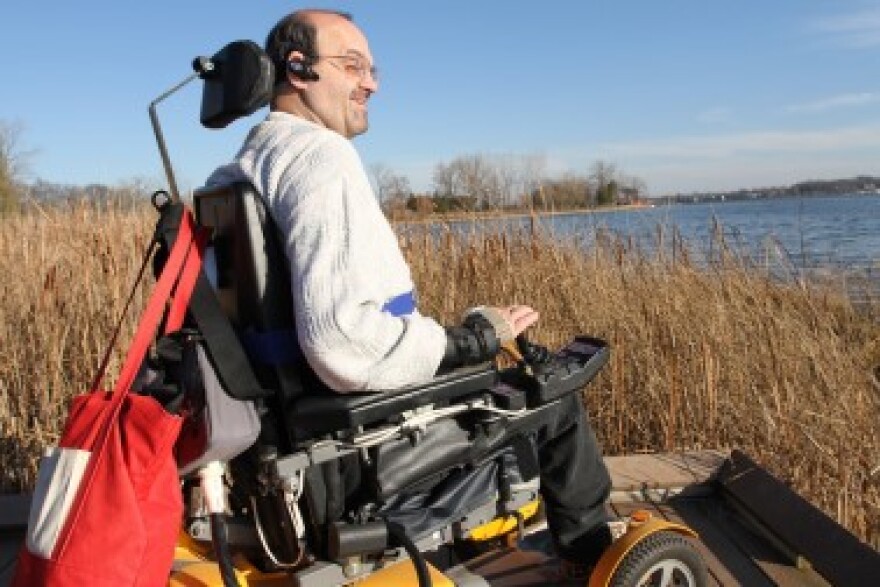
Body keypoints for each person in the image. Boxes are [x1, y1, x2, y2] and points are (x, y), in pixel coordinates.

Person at [207, 8, 615, 574]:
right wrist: (474, 341)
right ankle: (596, 563)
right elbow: (341, 344)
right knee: (552, 399)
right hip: (350, 447)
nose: (370, 82)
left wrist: (462, 337)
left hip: (292, 431)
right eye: (351, 66)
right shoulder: (320, 159)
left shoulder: (238, 172)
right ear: (297, 70)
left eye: (373, 69)